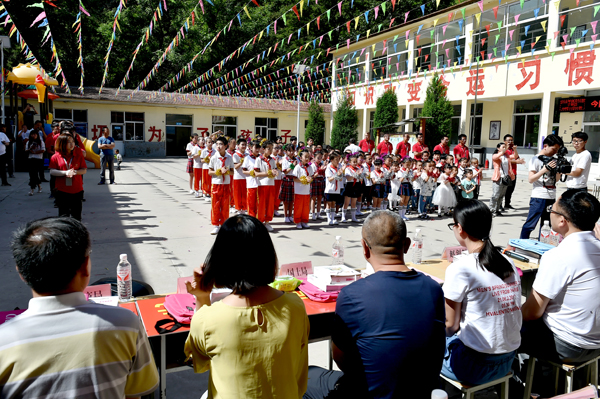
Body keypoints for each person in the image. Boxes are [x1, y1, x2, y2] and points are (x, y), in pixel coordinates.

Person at [2, 217, 159, 398]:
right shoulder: (125, 323)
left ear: (21, 272)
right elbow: (136, 393)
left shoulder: (3, 342)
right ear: (85, 267)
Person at [304, 211, 446, 399]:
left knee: (306, 377)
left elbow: (339, 357)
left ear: (365, 248)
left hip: (369, 392)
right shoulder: (433, 289)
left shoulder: (352, 295)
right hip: (421, 390)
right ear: (407, 245)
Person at [184, 215, 309, 398]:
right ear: (268, 257)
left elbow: (198, 361)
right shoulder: (295, 306)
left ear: (220, 262)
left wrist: (202, 298)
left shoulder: (207, 319)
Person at [443, 200, 522, 385]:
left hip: (473, 366)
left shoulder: (461, 268)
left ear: (460, 228)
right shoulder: (506, 261)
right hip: (507, 360)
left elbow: (450, 326)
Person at [521, 190, 600, 368]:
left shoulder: (559, 255)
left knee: (505, 328)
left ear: (562, 220)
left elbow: (532, 312)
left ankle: (522, 384)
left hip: (568, 345)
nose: (549, 213)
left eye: (552, 209)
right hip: (596, 344)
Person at [520, 134, 563, 239]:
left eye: (558, 149)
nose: (555, 152)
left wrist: (559, 171)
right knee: (530, 224)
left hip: (551, 196)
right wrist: (545, 169)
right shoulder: (536, 159)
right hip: (539, 196)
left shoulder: (554, 160)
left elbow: (556, 180)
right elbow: (531, 179)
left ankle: (542, 243)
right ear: (545, 146)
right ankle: (521, 243)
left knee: (547, 224)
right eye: (554, 149)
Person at [49, 133, 87, 220]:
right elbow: (52, 171)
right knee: (63, 216)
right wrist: (65, 173)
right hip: (62, 191)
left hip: (77, 189)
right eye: (69, 142)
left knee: (76, 216)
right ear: (61, 143)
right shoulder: (55, 157)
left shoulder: (78, 155)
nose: (72, 144)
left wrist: (75, 172)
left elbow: (84, 170)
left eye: (73, 141)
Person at [207, 136, 234, 235]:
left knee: (225, 204)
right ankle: (215, 225)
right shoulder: (214, 157)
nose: (218, 146)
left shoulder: (229, 157)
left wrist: (227, 172)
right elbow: (210, 172)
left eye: (221, 144)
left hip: (226, 184)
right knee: (215, 204)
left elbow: (232, 172)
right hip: (216, 184)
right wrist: (218, 172)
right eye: (217, 144)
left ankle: (224, 224)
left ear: (226, 146)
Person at [254, 140, 278, 232]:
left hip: (271, 184)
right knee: (261, 204)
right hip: (262, 185)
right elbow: (256, 173)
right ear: (263, 149)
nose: (271, 150)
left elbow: (275, 170)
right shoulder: (259, 159)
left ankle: (267, 222)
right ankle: (260, 222)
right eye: (269, 149)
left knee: (269, 204)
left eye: (272, 149)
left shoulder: (272, 160)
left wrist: (275, 172)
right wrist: (268, 173)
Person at [489, 143, 515, 216]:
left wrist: (515, 149)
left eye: (505, 147)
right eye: (503, 147)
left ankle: (497, 210)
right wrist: (504, 150)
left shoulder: (506, 156)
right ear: (498, 148)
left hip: (506, 178)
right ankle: (491, 210)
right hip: (498, 177)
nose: (505, 148)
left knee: (501, 195)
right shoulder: (495, 155)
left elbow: (515, 156)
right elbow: (495, 158)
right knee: (495, 195)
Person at [292, 150, 316, 229]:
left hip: (306, 191)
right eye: (305, 157)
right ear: (300, 158)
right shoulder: (297, 167)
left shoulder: (310, 167)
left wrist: (310, 179)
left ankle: (304, 221)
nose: (307, 158)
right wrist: (303, 180)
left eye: (308, 157)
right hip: (299, 191)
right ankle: (298, 221)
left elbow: (312, 176)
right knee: (298, 207)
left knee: (306, 207)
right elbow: (295, 179)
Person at [503, 134, 525, 210]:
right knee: (503, 190)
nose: (510, 141)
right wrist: (517, 162)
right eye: (508, 140)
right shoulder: (503, 150)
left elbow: (517, 158)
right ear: (504, 141)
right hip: (506, 172)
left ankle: (507, 204)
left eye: (511, 140)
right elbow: (506, 161)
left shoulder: (512, 149)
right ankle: (499, 205)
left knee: (511, 189)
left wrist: (515, 150)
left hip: (513, 172)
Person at [242, 141, 261, 218]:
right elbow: (244, 171)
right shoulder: (247, 158)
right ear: (250, 148)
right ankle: (251, 218)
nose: (257, 150)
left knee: (259, 203)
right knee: (251, 202)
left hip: (260, 183)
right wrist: (251, 172)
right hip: (251, 183)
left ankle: (259, 218)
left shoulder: (261, 158)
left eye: (258, 148)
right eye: (255, 147)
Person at [324, 151, 343, 225]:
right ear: (331, 160)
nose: (338, 161)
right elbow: (329, 179)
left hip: (336, 189)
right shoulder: (329, 168)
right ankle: (328, 219)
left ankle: (333, 218)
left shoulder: (338, 168)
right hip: (330, 189)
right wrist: (336, 175)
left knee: (333, 204)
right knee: (329, 204)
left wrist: (340, 174)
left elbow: (340, 179)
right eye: (336, 160)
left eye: (338, 159)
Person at [25, 130, 46, 196]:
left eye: (35, 134)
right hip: (31, 159)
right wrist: (30, 148)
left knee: (35, 173)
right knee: (32, 174)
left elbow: (43, 150)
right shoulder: (28, 142)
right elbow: (26, 150)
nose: (34, 136)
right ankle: (35, 187)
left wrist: (35, 152)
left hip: (38, 159)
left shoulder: (41, 142)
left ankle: (33, 188)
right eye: (32, 134)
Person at [232, 138, 248, 214]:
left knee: (245, 193)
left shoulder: (247, 155)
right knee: (238, 193)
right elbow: (235, 166)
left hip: (246, 177)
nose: (244, 146)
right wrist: (242, 162)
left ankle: (244, 208)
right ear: (238, 145)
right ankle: (238, 208)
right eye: (242, 144)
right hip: (238, 177)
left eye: (245, 145)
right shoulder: (235, 155)